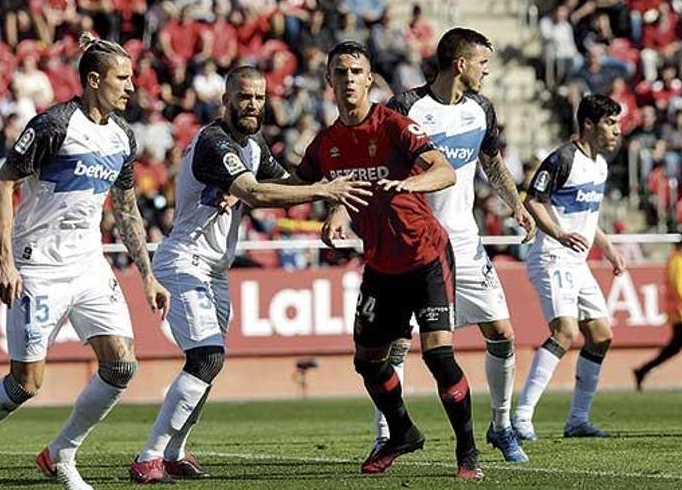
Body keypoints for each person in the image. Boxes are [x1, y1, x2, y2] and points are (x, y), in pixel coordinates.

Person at [0, 33, 171, 490]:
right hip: (38, 266)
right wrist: (4, 260)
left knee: (122, 366)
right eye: (122, 78)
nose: (131, 87)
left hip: (88, 266)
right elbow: (3, 185)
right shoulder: (54, 125)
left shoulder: (123, 136)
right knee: (26, 384)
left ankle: (62, 452)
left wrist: (147, 275)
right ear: (92, 80)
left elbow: (125, 210)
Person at [128, 66, 372, 484]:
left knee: (209, 362)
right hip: (184, 262)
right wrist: (323, 191)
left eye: (259, 98)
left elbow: (289, 182)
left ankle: (174, 452)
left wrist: (329, 167)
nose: (253, 105)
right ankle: (148, 456)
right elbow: (257, 194)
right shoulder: (213, 142)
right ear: (225, 100)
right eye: (244, 97)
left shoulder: (253, 145)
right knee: (206, 356)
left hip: (215, 269)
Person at [342, 27, 536, 463]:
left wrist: (516, 205)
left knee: (502, 333)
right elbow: (373, 166)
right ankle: (388, 433)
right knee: (396, 344)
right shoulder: (407, 108)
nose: (487, 71)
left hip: (463, 241)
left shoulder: (481, 109)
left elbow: (492, 162)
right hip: (412, 244)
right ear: (460, 64)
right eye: (482, 63)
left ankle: (501, 427)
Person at [297, 41, 482, 480]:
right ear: (329, 81)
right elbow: (298, 183)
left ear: (369, 79)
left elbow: (445, 170)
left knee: (438, 355)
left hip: (426, 255)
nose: (348, 80)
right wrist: (243, 189)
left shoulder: (394, 125)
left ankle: (468, 451)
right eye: (339, 72)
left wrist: (409, 184)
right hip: (382, 267)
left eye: (356, 72)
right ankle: (401, 431)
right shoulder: (327, 143)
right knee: (367, 361)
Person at [512, 94, 624, 441]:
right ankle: (521, 417)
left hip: (577, 262)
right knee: (565, 331)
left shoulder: (600, 166)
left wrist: (608, 248)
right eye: (610, 123)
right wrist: (559, 233)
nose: (617, 130)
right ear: (589, 125)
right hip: (551, 256)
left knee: (601, 336)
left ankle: (577, 420)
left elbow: (588, 217)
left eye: (617, 123)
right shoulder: (562, 159)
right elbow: (532, 200)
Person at [633, 233, 682, 391]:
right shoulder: (678, 261)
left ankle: (642, 371)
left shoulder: (680, 260)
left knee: (674, 349)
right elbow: (679, 287)